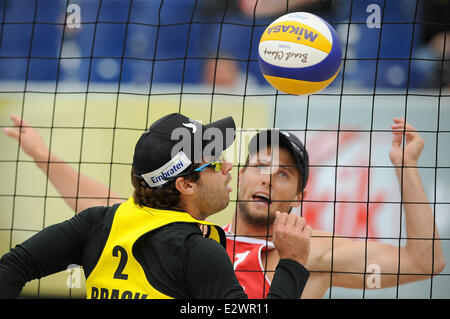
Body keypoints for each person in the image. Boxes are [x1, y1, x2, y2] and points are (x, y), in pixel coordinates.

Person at [3, 114, 445, 299]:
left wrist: (405, 168)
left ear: (299, 198)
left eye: (285, 174)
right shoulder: (175, 230)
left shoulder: (313, 251)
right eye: (260, 165)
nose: (267, 176)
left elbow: (424, 261)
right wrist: (43, 153)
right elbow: (93, 202)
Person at [0, 113, 312, 299]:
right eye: (215, 162)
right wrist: (293, 264)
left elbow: (12, 266)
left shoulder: (99, 223)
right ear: (186, 184)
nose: (229, 166)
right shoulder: (198, 252)